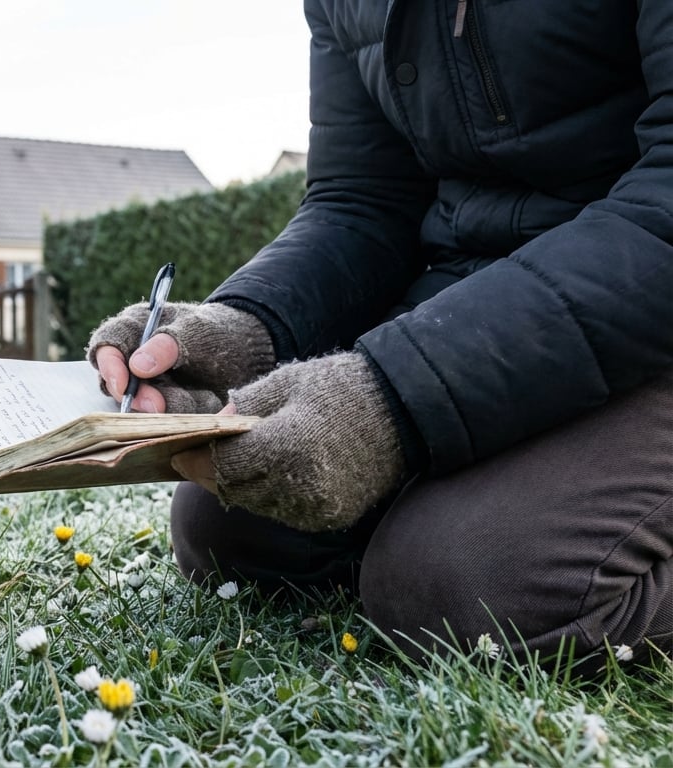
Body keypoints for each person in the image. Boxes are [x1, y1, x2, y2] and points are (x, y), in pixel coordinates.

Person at [87, 0, 673, 668]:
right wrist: (247, 330)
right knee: (229, 530)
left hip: (652, 319)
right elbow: (363, 199)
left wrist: (388, 399)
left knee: (470, 585)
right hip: (488, 308)